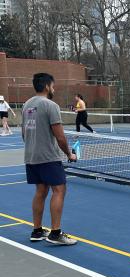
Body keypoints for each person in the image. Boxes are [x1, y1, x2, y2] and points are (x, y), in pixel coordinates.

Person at [22, 73, 77, 245]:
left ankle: (37, 231)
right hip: (48, 157)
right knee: (59, 190)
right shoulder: (50, 105)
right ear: (47, 86)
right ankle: (55, 233)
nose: (54, 88)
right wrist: (69, 154)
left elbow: (24, 134)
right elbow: (60, 137)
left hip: (31, 157)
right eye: (53, 86)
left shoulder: (26, 105)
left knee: (40, 191)